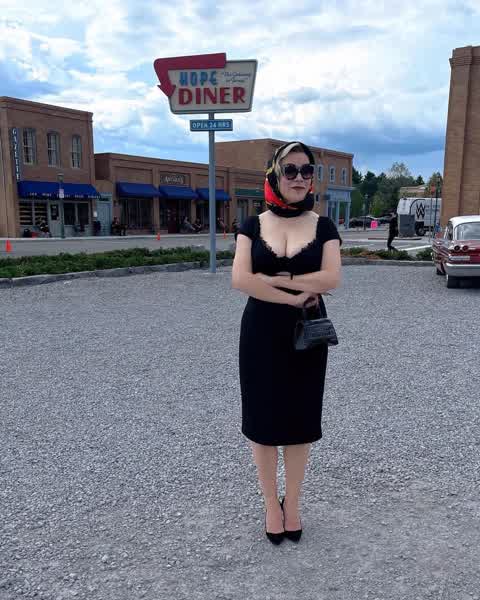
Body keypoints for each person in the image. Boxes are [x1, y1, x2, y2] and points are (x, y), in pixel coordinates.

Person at [232, 141, 342, 545]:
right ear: (275, 175)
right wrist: (294, 295)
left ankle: (292, 503)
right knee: (262, 423)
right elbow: (240, 280)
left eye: (306, 170)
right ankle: (270, 505)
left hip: (307, 336)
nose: (299, 177)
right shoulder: (251, 225)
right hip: (260, 333)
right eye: (290, 170)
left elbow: (331, 279)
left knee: (299, 422)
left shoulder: (324, 226)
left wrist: (279, 279)